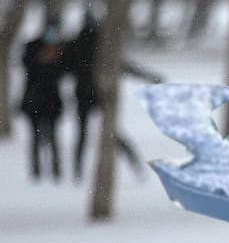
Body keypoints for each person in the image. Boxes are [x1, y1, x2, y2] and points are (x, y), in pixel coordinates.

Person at [63, 10, 164, 181]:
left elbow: (63, 68)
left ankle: (77, 172)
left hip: (83, 94)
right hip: (100, 93)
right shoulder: (100, 45)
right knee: (112, 132)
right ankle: (133, 164)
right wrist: (148, 76)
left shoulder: (76, 45)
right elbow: (123, 65)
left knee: (84, 134)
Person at [20, 17, 67, 182]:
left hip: (52, 102)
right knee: (34, 137)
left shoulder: (60, 50)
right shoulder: (32, 47)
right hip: (34, 100)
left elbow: (63, 72)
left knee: (53, 137)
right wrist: (41, 60)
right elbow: (28, 68)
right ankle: (36, 172)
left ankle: (56, 171)